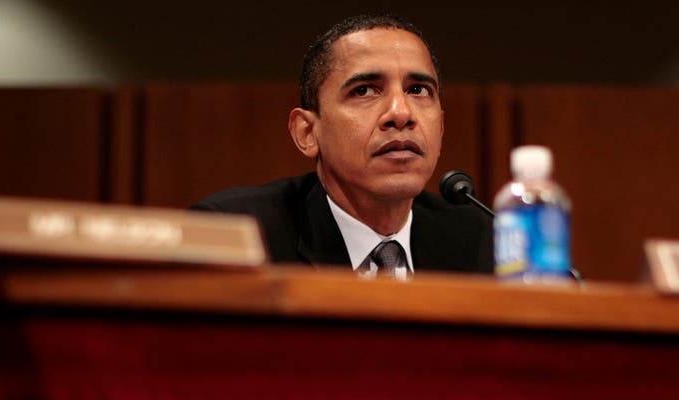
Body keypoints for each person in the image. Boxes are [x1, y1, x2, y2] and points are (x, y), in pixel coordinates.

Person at [191, 13, 493, 278]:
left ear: (440, 127)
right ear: (307, 133)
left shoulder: (485, 241)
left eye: (418, 90)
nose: (401, 114)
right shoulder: (237, 236)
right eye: (364, 91)